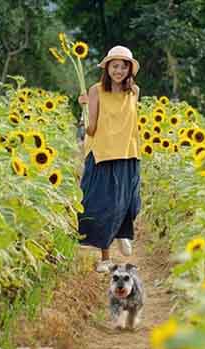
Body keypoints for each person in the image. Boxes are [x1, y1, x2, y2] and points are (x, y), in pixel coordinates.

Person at [77, 45, 141, 272]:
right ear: (107, 68)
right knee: (102, 207)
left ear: (129, 70)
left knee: (130, 203)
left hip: (127, 152)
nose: (119, 71)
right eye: (115, 66)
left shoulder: (134, 92)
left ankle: (122, 232)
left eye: (124, 67)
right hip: (103, 153)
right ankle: (105, 258)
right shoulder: (95, 91)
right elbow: (91, 129)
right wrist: (85, 110)